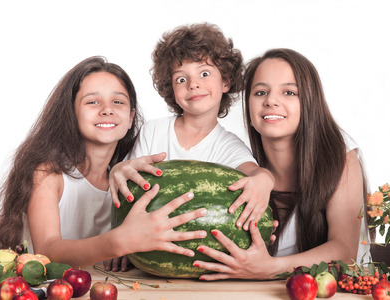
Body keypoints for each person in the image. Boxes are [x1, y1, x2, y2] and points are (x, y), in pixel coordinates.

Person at [0, 56, 208, 271]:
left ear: (131, 117)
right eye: (93, 102)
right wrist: (120, 241)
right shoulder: (48, 173)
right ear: (71, 113)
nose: (107, 110)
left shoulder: (128, 180)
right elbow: (47, 251)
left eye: (118, 102)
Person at [192, 48, 370, 280]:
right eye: (260, 92)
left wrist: (269, 268)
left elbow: (345, 253)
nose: (271, 101)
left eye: (289, 92)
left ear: (309, 102)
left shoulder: (339, 156)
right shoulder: (240, 164)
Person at [110, 23, 275, 230]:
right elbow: (128, 185)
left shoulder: (229, 145)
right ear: (171, 89)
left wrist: (265, 179)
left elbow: (255, 174)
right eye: (181, 78)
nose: (193, 84)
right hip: (146, 242)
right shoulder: (153, 131)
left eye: (204, 74)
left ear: (225, 81)